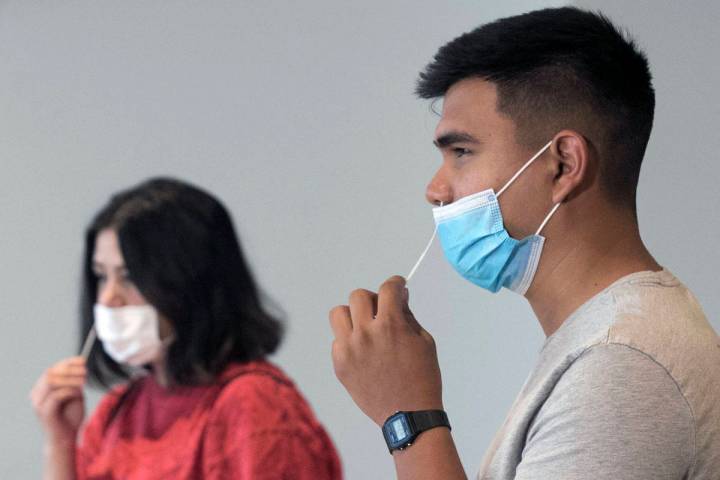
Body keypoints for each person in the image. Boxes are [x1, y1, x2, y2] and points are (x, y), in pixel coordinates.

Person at [329, 7, 720, 480]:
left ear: (562, 165)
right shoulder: (607, 343)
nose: (435, 189)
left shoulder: (623, 367)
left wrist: (408, 415)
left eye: (462, 152)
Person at [31, 178, 342, 479]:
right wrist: (59, 442)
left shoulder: (252, 404)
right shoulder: (119, 409)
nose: (109, 297)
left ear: (188, 281)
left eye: (128, 276)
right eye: (102, 276)